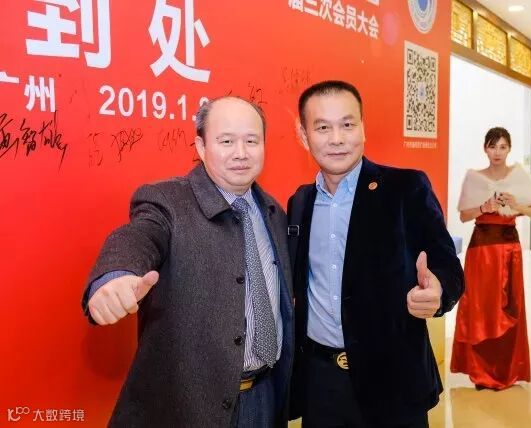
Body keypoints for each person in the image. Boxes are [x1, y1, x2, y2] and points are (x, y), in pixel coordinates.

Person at [80, 96, 294, 427]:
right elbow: (139, 236)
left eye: (251, 141)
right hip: (187, 405)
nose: (241, 152)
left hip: (264, 398)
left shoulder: (273, 212)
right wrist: (116, 275)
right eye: (226, 141)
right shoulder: (167, 201)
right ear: (201, 146)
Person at [286, 80, 464, 427]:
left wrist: (439, 291)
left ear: (363, 128)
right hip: (322, 384)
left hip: (392, 380)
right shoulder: (300, 203)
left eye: (347, 124)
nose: (337, 138)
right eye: (322, 128)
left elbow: (447, 265)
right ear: (304, 136)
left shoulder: (405, 188)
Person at [450, 126, 531, 391]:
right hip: (481, 250)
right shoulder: (474, 179)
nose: (497, 152)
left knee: (509, 307)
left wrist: (516, 205)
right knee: (479, 308)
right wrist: (484, 207)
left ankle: (507, 370)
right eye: (493, 146)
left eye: (502, 147)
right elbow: (464, 216)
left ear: (509, 149)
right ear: (485, 148)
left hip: (509, 249)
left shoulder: (518, 178)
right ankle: (480, 371)